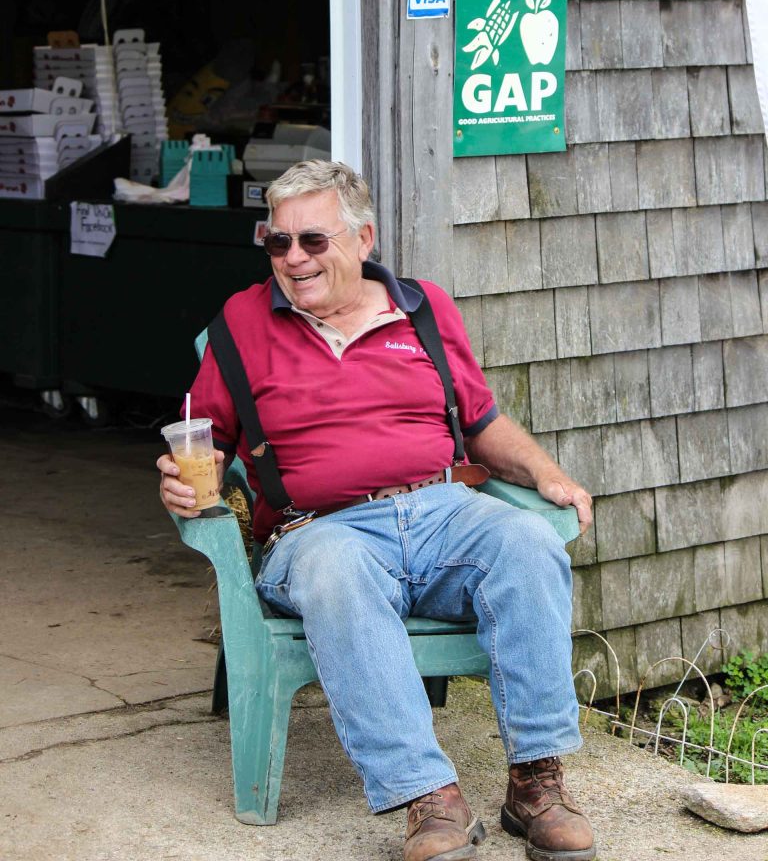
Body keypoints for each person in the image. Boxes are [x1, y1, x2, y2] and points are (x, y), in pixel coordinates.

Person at [158, 159, 596, 861]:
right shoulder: (242, 322)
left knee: (525, 540)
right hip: (317, 531)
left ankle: (536, 783)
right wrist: (182, 484)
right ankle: (429, 798)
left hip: (443, 510)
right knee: (337, 569)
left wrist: (547, 474)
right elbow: (202, 443)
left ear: (363, 239)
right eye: (279, 243)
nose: (293, 259)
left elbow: (481, 422)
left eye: (313, 241)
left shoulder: (425, 311)